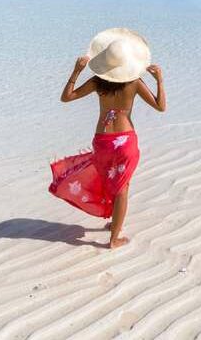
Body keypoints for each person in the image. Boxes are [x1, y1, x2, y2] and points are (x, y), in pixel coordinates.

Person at [49, 28, 166, 249]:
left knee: (112, 182)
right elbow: (160, 106)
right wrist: (159, 79)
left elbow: (67, 98)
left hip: (102, 140)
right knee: (123, 187)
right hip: (125, 140)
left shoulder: (97, 82)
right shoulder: (134, 82)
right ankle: (114, 239)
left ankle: (115, 223)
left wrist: (76, 71)